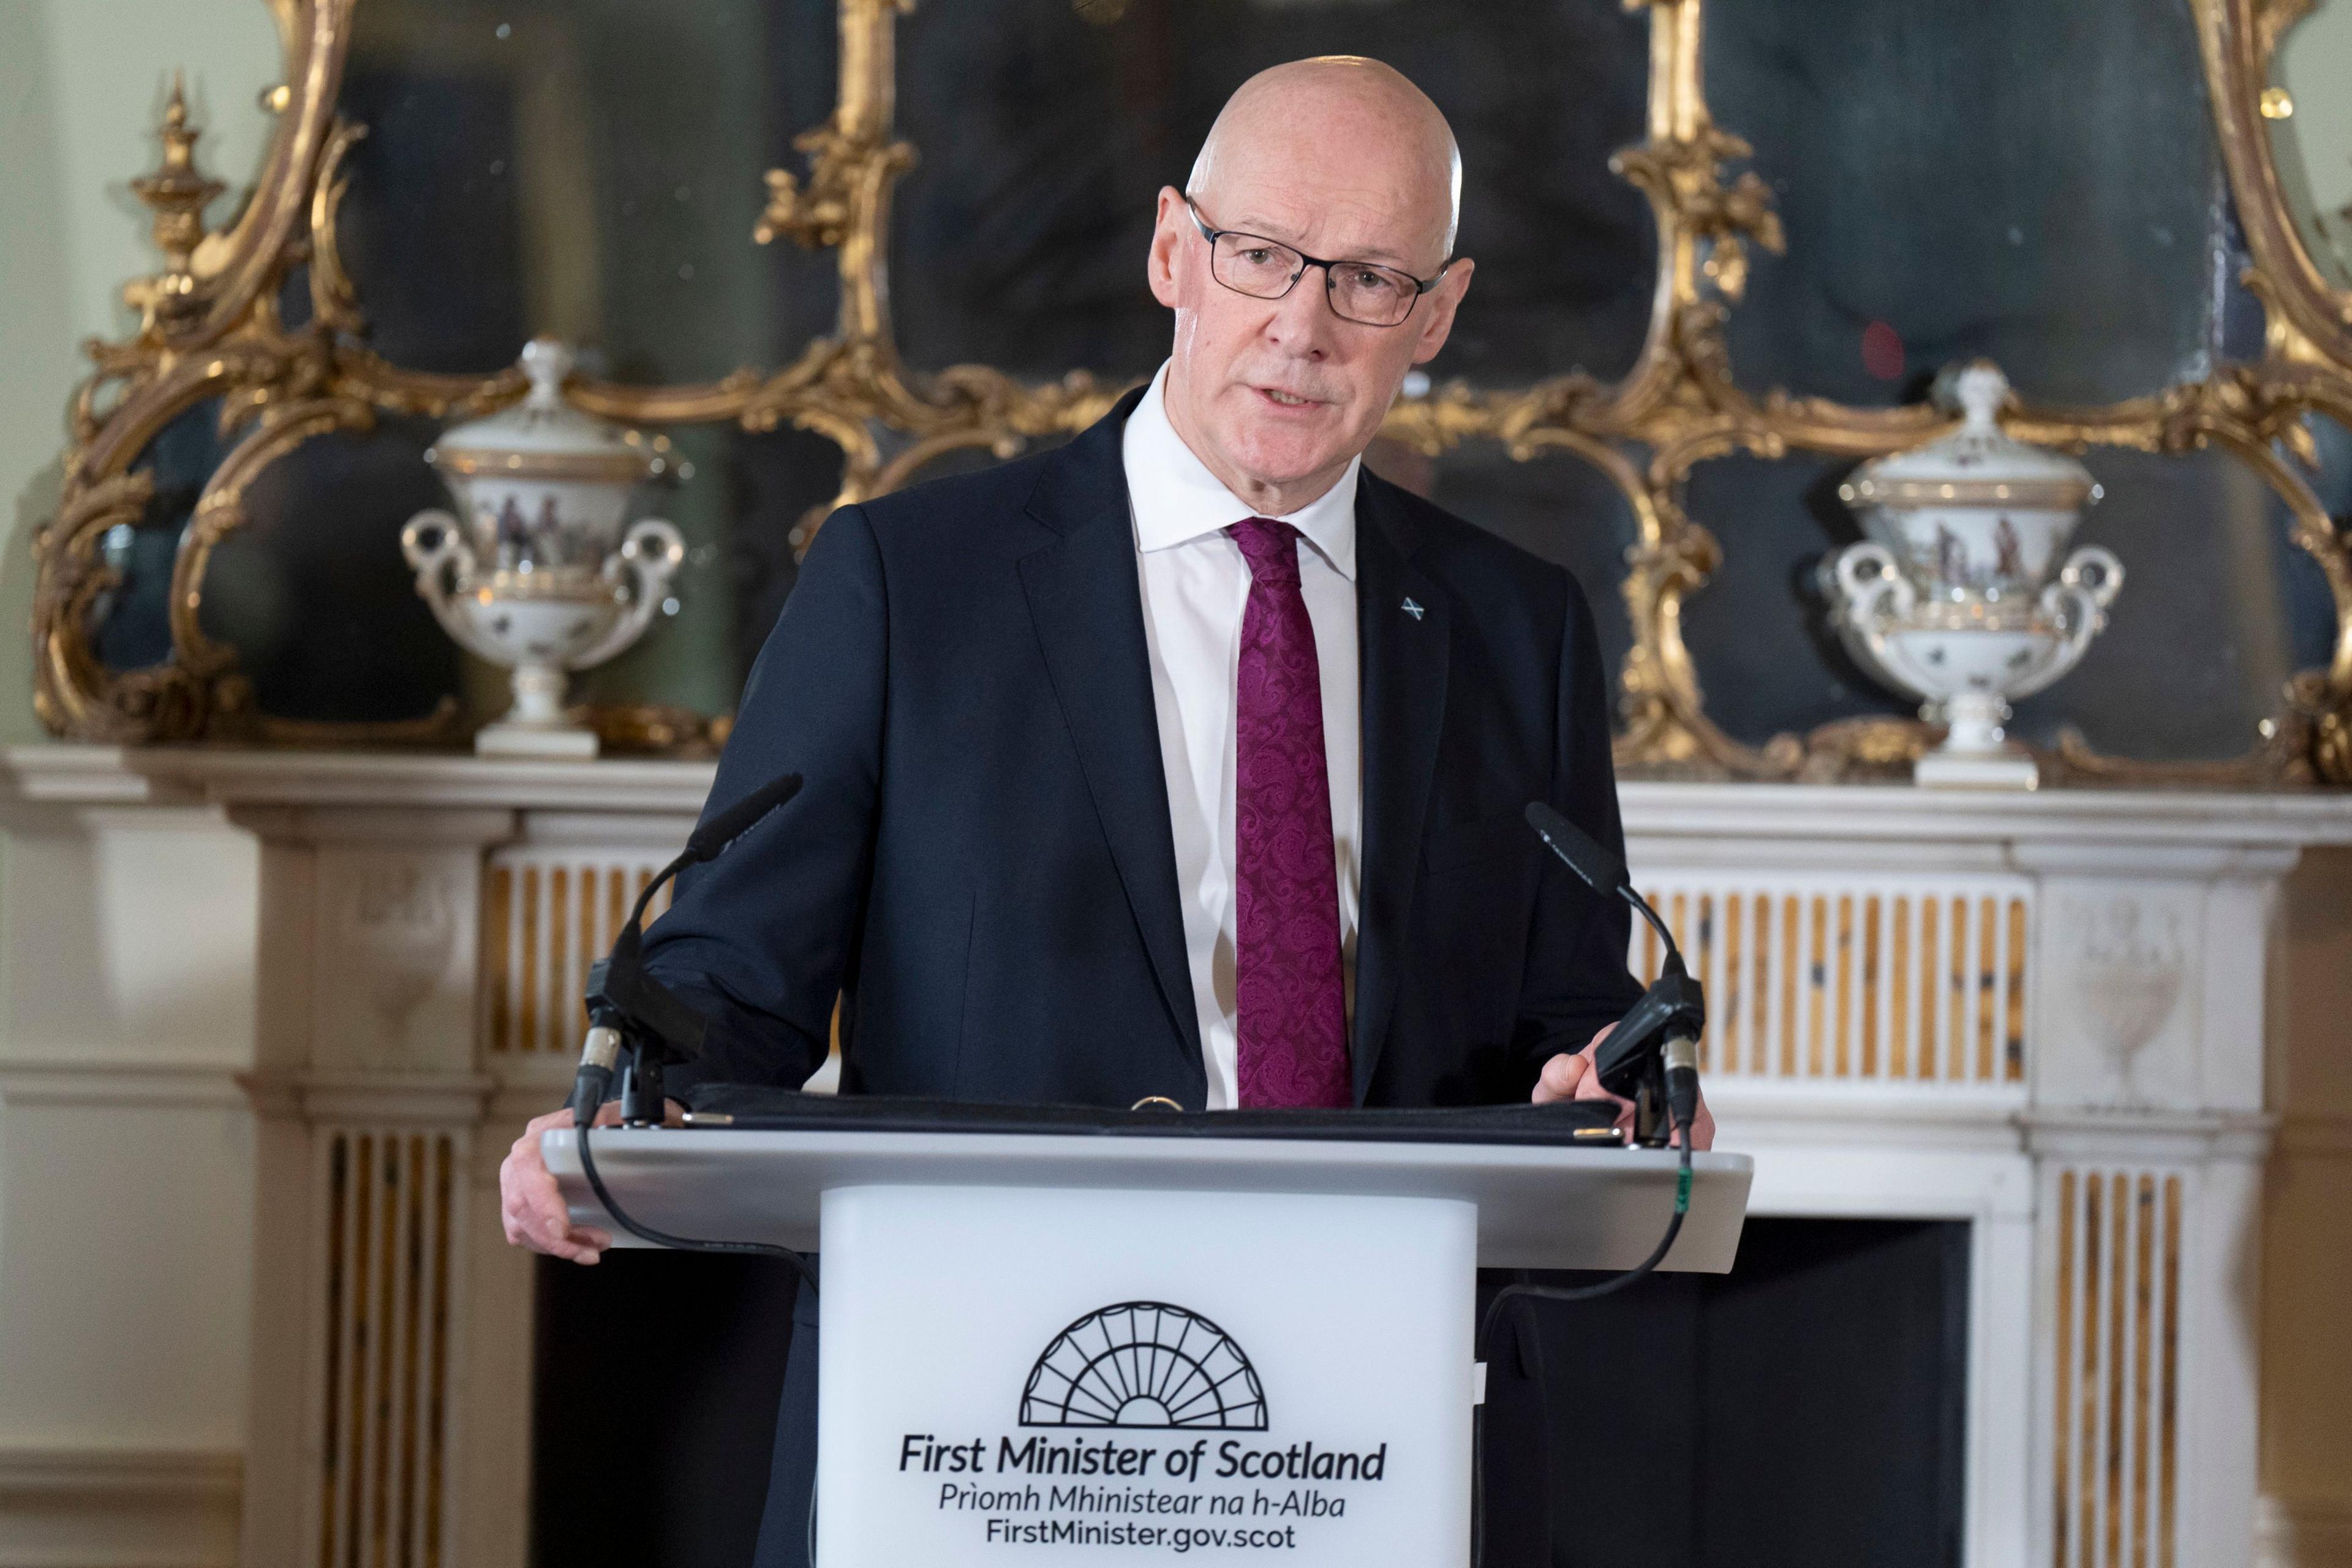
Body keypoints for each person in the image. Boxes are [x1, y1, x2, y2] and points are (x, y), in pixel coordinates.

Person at [500, 55, 1713, 1566]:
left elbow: (1570, 1019)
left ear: (1439, 312)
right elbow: (735, 979)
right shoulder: (906, 584)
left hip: (1376, 1433)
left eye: (1368, 279)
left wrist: (1608, 1095)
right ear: (1171, 252)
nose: (1300, 323)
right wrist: (621, 1109)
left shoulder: (1514, 625)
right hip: (972, 1419)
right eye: (1259, 253)